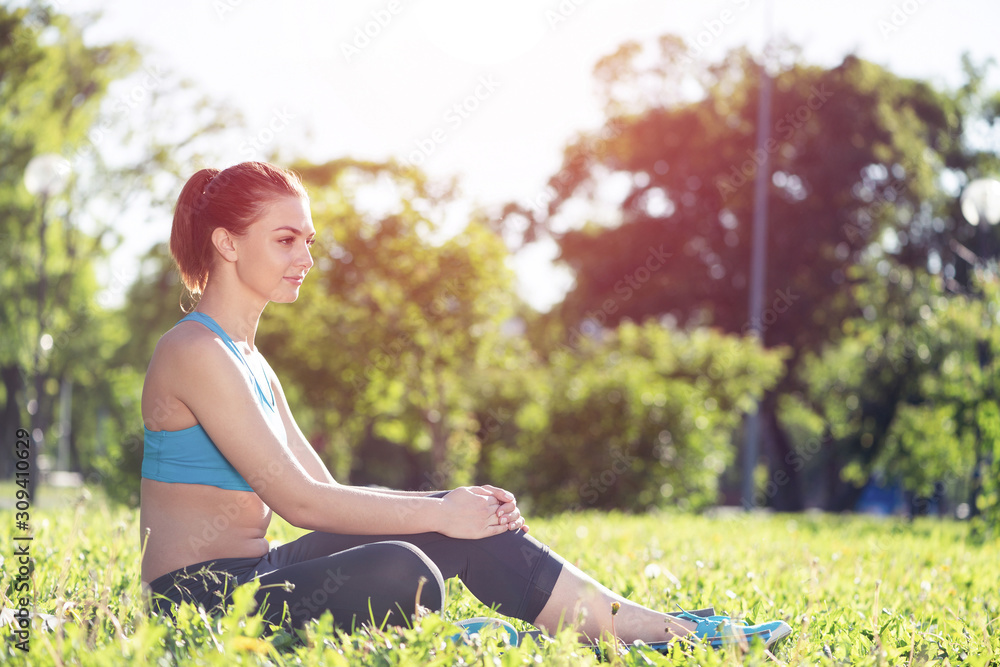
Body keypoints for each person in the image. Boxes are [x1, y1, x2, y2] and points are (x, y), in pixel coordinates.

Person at [139, 161, 790, 650]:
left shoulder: (252, 360)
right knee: (405, 566)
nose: (307, 257)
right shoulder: (195, 350)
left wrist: (454, 512)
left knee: (454, 529)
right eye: (286, 240)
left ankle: (652, 628)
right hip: (202, 599)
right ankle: (505, 642)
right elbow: (300, 504)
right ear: (227, 244)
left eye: (308, 239)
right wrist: (442, 512)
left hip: (262, 569)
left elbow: (325, 488)